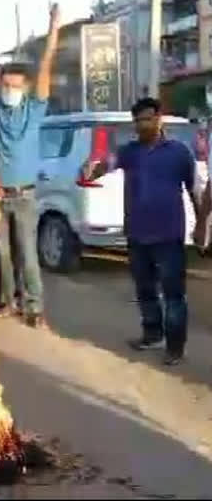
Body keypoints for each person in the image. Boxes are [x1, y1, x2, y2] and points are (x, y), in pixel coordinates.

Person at [81, 98, 196, 366]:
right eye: (137, 121)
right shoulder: (128, 152)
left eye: (147, 119)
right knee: (145, 291)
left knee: (174, 295)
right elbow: (101, 167)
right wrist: (90, 169)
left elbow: (193, 189)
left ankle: (176, 347)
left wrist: (201, 224)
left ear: (159, 119)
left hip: (169, 235)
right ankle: (153, 334)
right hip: (137, 234)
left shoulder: (179, 152)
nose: (142, 125)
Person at [0, 3, 60, 328]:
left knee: (29, 255)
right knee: (2, 255)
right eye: (6, 85)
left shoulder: (33, 110)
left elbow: (47, 65)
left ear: (24, 88)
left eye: (16, 86)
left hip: (24, 196)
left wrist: (54, 26)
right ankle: (7, 301)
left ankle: (33, 307)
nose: (10, 90)